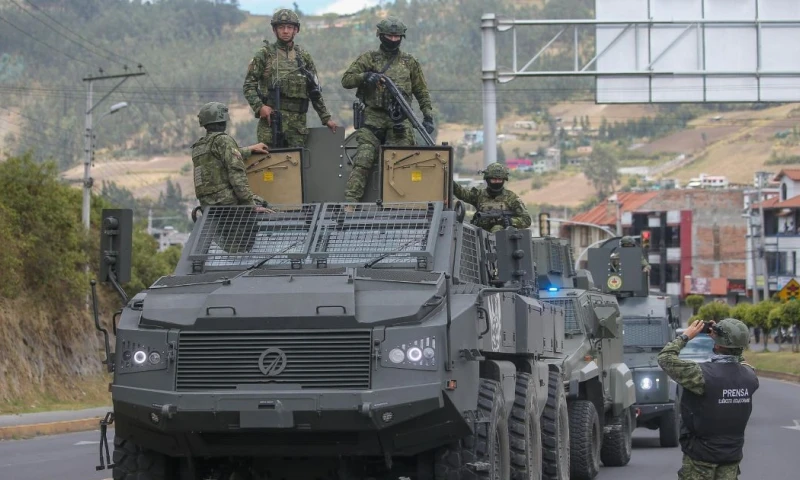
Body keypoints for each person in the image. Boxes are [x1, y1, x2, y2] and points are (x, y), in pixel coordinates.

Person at [341, 16, 434, 203]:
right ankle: (350, 204)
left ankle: (402, 204)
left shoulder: (409, 62)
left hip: (400, 119)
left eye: (397, 37)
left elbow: (421, 91)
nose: (393, 40)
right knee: (364, 158)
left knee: (402, 160)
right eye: (389, 36)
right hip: (373, 118)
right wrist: (366, 77)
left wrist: (428, 116)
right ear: (380, 36)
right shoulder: (369, 58)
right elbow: (347, 80)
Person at [657, 318, 759, 480]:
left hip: (700, 457)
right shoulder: (750, 376)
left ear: (717, 344)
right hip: (731, 456)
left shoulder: (701, 375)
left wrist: (685, 336)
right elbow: (740, 360)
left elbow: (665, 358)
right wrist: (726, 338)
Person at [242, 9, 337, 149]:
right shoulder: (265, 54)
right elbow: (248, 85)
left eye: (289, 27)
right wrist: (259, 107)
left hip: (297, 126)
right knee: (270, 161)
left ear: (295, 30)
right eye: (281, 27)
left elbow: (314, 91)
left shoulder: (303, 57)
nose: (285, 31)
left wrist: (326, 118)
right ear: (274, 30)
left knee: (296, 161)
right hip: (272, 123)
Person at [191, 101, 271, 254]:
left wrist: (249, 149)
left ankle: (233, 249)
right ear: (223, 120)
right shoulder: (224, 140)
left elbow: (221, 155)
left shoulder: (199, 146)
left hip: (208, 205)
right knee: (263, 204)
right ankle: (246, 252)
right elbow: (237, 176)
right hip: (227, 203)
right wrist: (251, 205)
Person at [453, 163, 532, 233]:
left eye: (499, 179)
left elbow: (526, 219)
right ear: (488, 180)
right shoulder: (479, 195)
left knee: (497, 229)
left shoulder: (511, 197)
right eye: (494, 179)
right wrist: (451, 182)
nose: (497, 182)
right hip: (479, 236)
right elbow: (462, 193)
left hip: (502, 238)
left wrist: (510, 221)